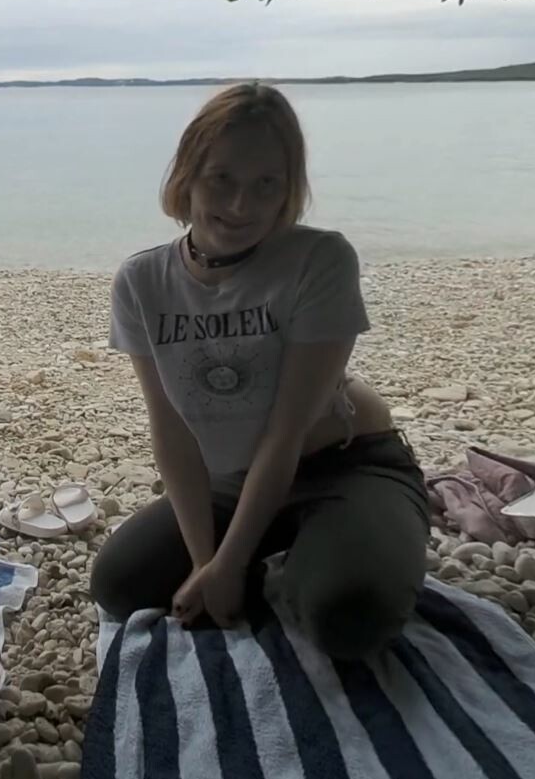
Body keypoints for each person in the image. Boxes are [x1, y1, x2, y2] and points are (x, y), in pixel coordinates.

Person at [89, 82, 430, 659]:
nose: (241, 205)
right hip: (236, 477)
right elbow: (171, 431)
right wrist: (208, 564)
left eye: (266, 184)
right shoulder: (142, 281)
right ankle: (286, 551)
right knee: (121, 584)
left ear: (288, 189)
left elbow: (285, 431)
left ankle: (364, 529)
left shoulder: (319, 261)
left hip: (345, 463)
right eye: (222, 179)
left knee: (347, 620)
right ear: (188, 176)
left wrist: (232, 562)